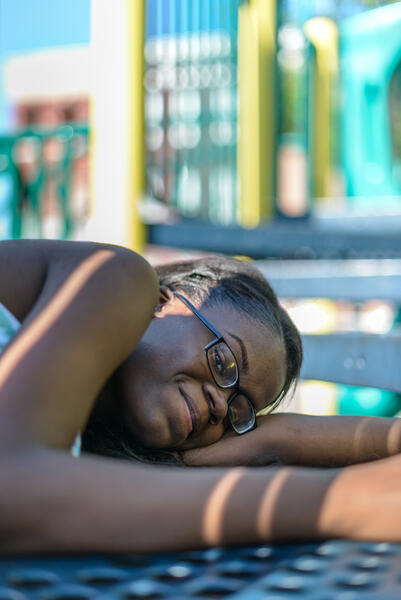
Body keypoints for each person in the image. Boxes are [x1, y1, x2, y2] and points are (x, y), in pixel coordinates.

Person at [0, 238, 400, 555]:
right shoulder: (116, 278)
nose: (222, 408)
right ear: (163, 302)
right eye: (224, 363)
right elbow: (11, 491)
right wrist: (339, 503)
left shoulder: (84, 441)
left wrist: (275, 440)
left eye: (241, 412)